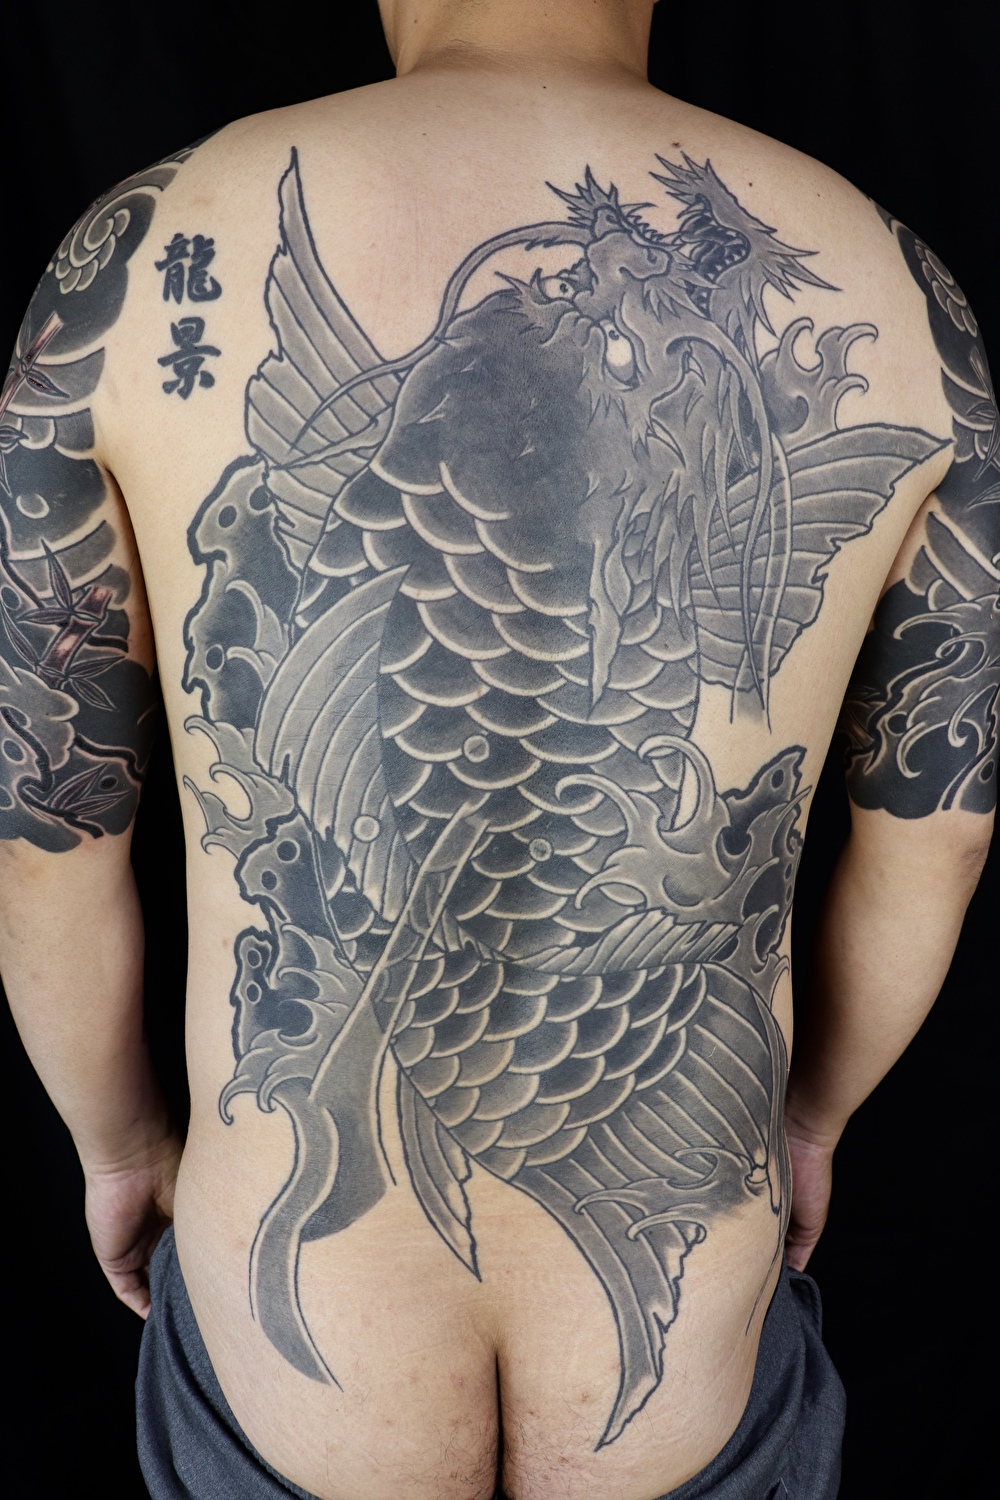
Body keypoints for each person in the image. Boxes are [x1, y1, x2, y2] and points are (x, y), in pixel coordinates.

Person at [1, 1, 995, 1495]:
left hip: (297, 1365)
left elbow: (49, 831)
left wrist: (124, 1147)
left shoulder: (140, 254)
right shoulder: (907, 298)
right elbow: (944, 823)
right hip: (685, 1372)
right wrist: (804, 1121)